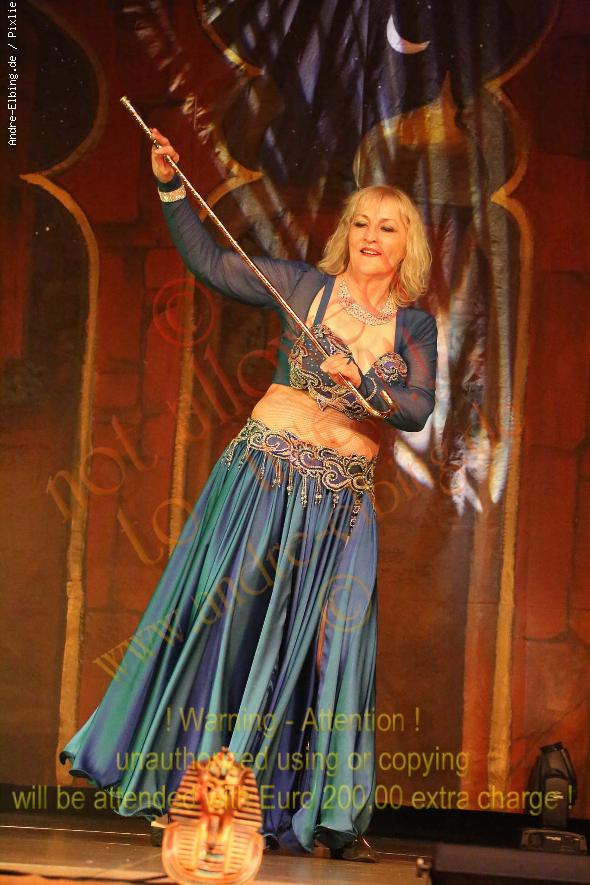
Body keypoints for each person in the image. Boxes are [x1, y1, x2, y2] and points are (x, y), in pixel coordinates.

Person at [59, 128, 438, 862]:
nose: (371, 235)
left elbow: (418, 409)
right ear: (347, 233)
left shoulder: (413, 326)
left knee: (332, 649)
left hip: (340, 506)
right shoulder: (301, 287)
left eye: (387, 227)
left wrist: (362, 380)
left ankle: (313, 810)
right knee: (232, 628)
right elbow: (208, 262)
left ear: (407, 246)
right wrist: (171, 185)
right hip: (266, 480)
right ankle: (194, 794)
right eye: (361, 222)